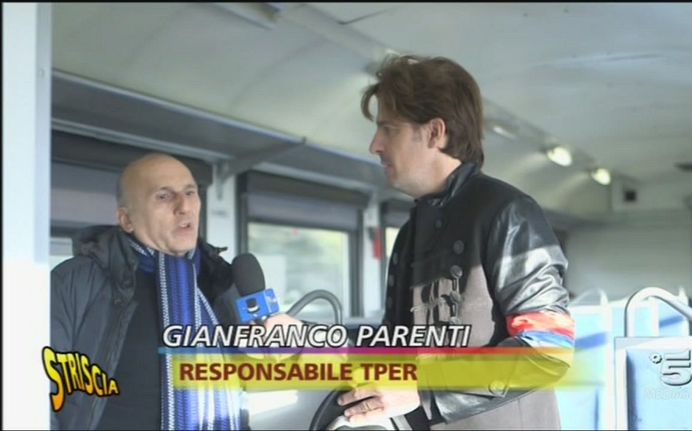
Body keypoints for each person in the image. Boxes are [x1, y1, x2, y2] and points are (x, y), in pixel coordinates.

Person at [336, 55, 575, 430]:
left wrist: (425, 389)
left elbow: (548, 349)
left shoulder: (508, 213)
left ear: (435, 132)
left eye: (388, 129)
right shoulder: (411, 230)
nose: (375, 145)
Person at [49, 153, 294, 430]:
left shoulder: (224, 281)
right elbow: (35, 389)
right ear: (127, 219)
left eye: (190, 192)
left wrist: (293, 348)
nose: (184, 206)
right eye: (164, 196)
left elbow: (256, 378)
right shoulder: (74, 282)